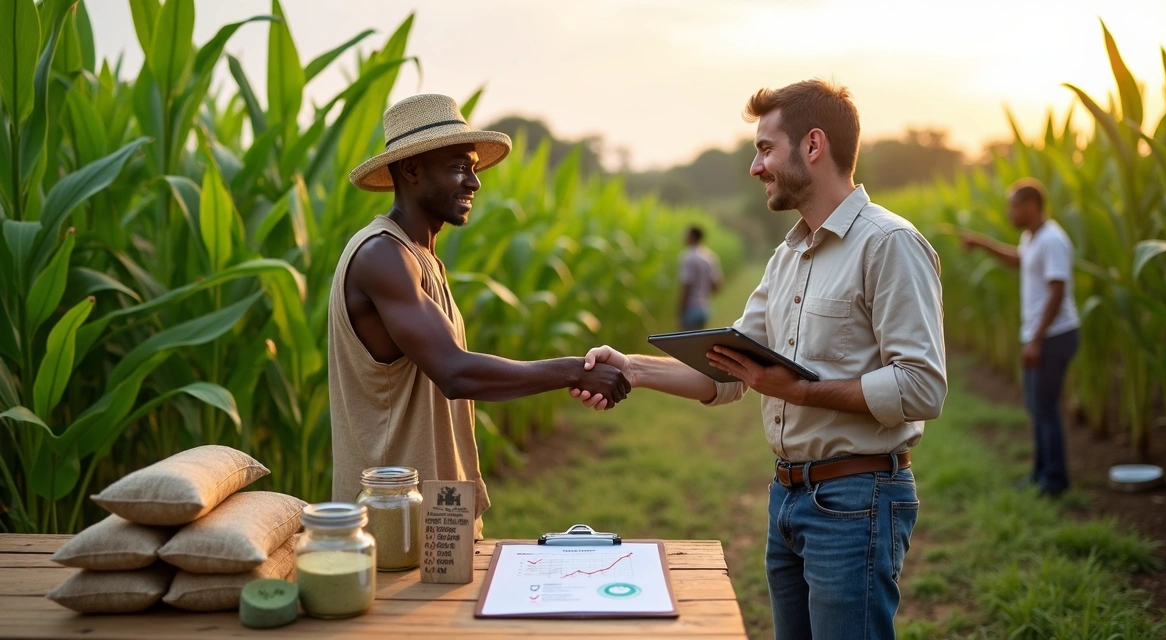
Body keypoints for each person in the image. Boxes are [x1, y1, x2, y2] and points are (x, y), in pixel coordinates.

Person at [572, 80, 947, 640]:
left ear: (813, 146)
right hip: (788, 501)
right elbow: (729, 372)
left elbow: (921, 387)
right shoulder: (787, 256)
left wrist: (801, 391)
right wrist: (634, 368)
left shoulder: (888, 244)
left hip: (856, 502)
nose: (756, 166)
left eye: (765, 148)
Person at [329, 94, 631, 537]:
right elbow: (456, 373)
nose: (474, 183)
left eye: (473, 168)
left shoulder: (419, 257)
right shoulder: (382, 256)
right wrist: (575, 372)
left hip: (431, 512)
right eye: (458, 167)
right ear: (411, 170)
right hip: (392, 524)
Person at [961, 178, 1080, 496]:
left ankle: (1054, 480)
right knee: (1037, 406)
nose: (1009, 213)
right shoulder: (1033, 238)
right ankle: (1041, 474)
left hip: (1054, 336)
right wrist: (982, 244)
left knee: (1045, 408)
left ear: (1031, 206)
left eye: (1013, 206)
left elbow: (1058, 291)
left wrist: (1037, 340)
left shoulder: (1052, 240)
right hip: (1042, 336)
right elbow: (1019, 260)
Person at [678, 225, 724, 330]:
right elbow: (717, 285)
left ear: (692, 237)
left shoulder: (688, 257)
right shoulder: (710, 256)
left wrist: (680, 311)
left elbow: (686, 286)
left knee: (687, 343)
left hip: (691, 309)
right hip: (705, 308)